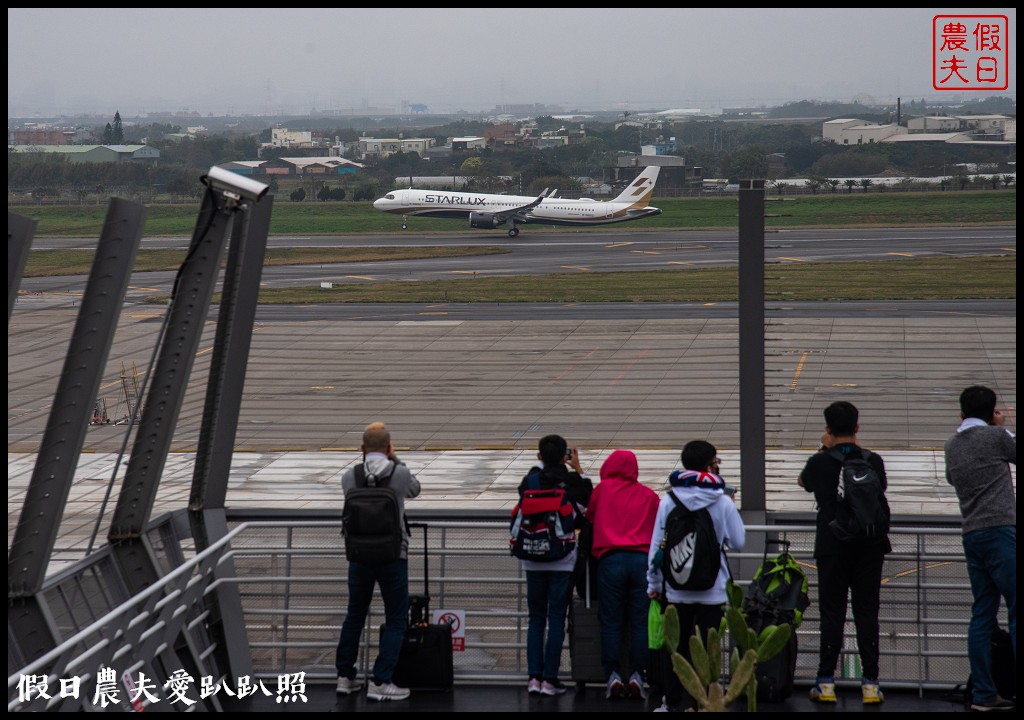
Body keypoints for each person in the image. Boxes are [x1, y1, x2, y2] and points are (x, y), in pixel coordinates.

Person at [798, 401, 890, 705]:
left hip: (832, 545)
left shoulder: (821, 462)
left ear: (827, 429)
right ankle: (871, 684)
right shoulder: (872, 461)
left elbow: (803, 483)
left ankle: (825, 683)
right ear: (857, 427)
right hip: (869, 546)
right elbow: (881, 490)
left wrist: (824, 451)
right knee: (867, 613)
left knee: (832, 613)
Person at [647, 440, 745, 712]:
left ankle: (671, 703)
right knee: (707, 648)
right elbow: (738, 541)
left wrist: (653, 585)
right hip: (712, 589)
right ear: (708, 466)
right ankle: (704, 703)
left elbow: (657, 547)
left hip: (675, 588)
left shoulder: (669, 500)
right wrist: (729, 509)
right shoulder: (722, 500)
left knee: (676, 649)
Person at [335, 422, 421, 702]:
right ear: (388, 447)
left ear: (361, 448)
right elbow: (415, 490)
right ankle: (381, 680)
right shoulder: (399, 473)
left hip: (358, 555)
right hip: (392, 555)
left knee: (354, 615)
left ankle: (345, 677)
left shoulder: (350, 476)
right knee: (396, 619)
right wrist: (395, 459)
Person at [944, 385, 1016, 713]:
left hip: (971, 533)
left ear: (961, 412)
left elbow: (950, 478)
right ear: (992, 411)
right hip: (1001, 530)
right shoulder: (996, 436)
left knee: (982, 614)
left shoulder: (951, 445)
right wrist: (1000, 426)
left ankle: (984, 694)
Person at [519, 434, 593, 696]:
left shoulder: (531, 478)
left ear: (539, 456)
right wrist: (578, 469)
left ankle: (533, 679)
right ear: (565, 456)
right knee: (555, 617)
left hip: (532, 557)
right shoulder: (572, 481)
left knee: (536, 619)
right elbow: (588, 507)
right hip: (562, 559)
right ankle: (550, 679)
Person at [585, 449, 660, 700]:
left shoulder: (602, 491)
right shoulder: (649, 496)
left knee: (611, 621)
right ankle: (638, 675)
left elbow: (590, 517)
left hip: (610, 560)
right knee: (640, 622)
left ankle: (613, 675)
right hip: (641, 562)